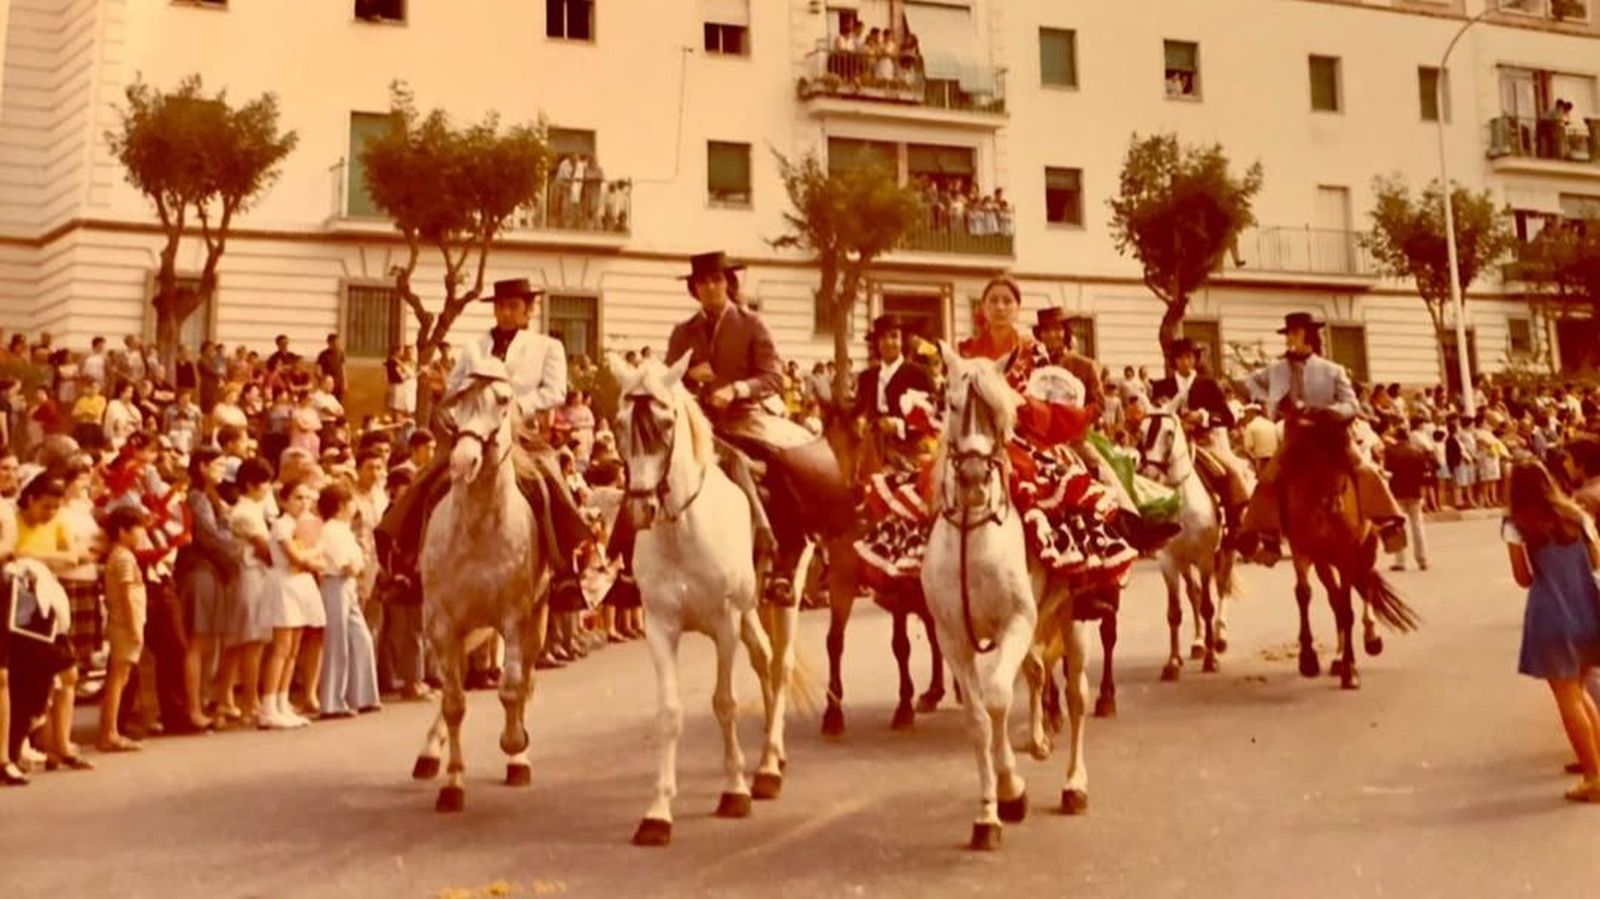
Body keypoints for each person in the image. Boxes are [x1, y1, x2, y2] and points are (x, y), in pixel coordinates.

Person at [377, 277, 591, 603]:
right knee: (430, 479)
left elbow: (555, 391)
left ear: (528, 310)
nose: (505, 313)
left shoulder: (548, 347)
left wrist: (514, 406)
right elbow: (457, 386)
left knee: (550, 478)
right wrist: (445, 391)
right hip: (475, 427)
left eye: (512, 307)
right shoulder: (474, 347)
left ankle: (565, 570)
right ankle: (409, 562)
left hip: (520, 432)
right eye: (500, 306)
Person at [658, 251, 854, 602]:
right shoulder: (682, 333)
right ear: (695, 289)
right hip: (696, 419)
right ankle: (636, 558)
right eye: (703, 282)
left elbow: (772, 377)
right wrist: (687, 375)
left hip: (745, 417)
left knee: (779, 465)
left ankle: (786, 559)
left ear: (728, 284)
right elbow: (666, 382)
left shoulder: (751, 324)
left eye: (717, 280)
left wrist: (738, 389)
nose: (710, 287)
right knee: (653, 464)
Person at [1236, 312, 1406, 566]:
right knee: (1268, 478)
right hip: (1296, 436)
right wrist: (1273, 399)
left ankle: (1388, 521)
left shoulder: (1332, 370)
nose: (1290, 339)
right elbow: (1247, 383)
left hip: (1329, 434)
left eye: (1294, 333)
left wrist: (1330, 412)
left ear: (1307, 335)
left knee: (1364, 468)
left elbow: (1351, 403)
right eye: (1289, 334)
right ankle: (1268, 537)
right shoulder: (1276, 369)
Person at [1503, 461, 1600, 803]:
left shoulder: (1516, 524)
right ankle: (1596, 766)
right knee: (1581, 691)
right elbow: (1596, 561)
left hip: (1550, 614)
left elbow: (1523, 578)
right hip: (1588, 609)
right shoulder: (1577, 514)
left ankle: (1594, 777)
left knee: (1567, 698)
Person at [1151, 338, 1253, 542]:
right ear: (1174, 361)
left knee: (1228, 473)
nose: (1185, 363)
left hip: (1204, 442)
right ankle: (1150, 526)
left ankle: (1235, 524)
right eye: (1181, 358)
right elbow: (1155, 418)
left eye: (1189, 357)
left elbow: (1228, 417)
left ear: (1195, 359)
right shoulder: (1163, 386)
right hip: (1171, 444)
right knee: (1149, 472)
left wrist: (1203, 417)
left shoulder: (1208, 384)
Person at [315, 481, 379, 718]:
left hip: (347, 586)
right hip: (335, 583)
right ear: (342, 505)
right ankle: (332, 702)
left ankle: (362, 695)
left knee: (360, 636)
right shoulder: (331, 529)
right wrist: (355, 566)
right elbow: (346, 563)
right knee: (337, 642)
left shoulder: (343, 528)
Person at [97, 506, 148, 753]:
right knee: (118, 679)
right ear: (122, 531)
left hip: (123, 624)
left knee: (120, 678)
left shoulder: (120, 555)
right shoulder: (124, 557)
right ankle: (109, 733)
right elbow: (126, 595)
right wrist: (133, 626)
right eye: (137, 529)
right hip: (124, 625)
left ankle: (110, 731)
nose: (141, 535)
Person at [1382, 421, 1431, 572]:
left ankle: (1400, 561)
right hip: (1415, 492)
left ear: (1396, 437)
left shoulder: (1390, 452)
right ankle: (1422, 559)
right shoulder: (1417, 451)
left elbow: (1388, 472)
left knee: (1398, 527)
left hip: (1397, 492)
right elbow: (1425, 473)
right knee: (1418, 526)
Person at [316, 334, 346, 402]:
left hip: (339, 383)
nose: (337, 345)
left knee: (339, 402)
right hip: (328, 384)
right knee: (328, 401)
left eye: (338, 343)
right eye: (335, 343)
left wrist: (345, 382)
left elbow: (343, 368)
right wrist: (322, 382)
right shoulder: (323, 355)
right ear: (329, 343)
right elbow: (318, 369)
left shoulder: (340, 353)